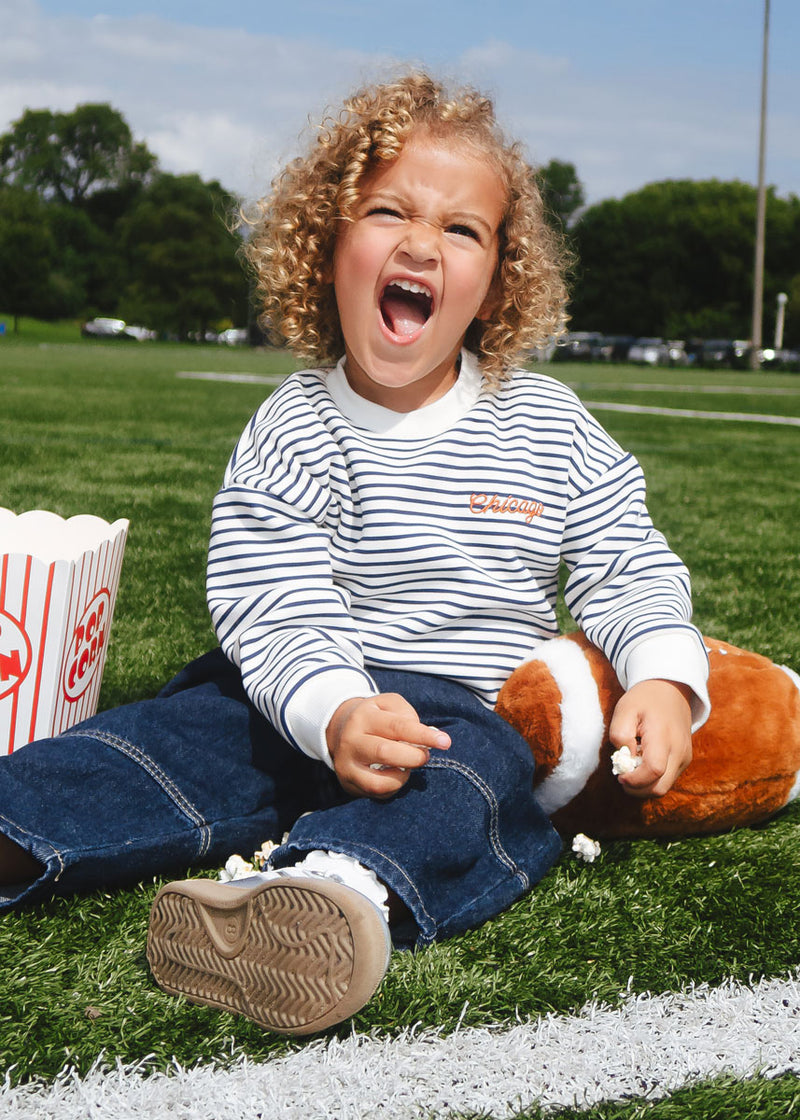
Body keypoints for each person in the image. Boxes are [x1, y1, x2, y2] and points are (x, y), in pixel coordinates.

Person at [0, 72, 710, 1036]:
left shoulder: (548, 426)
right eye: (387, 212)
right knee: (164, 736)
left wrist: (663, 676)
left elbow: (626, 562)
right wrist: (333, 711)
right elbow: (273, 605)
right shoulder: (294, 425)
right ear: (327, 246)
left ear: (497, 280)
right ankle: (15, 824)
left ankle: (332, 895)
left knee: (483, 783)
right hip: (296, 696)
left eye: (462, 230)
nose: (422, 242)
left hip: (455, 716)